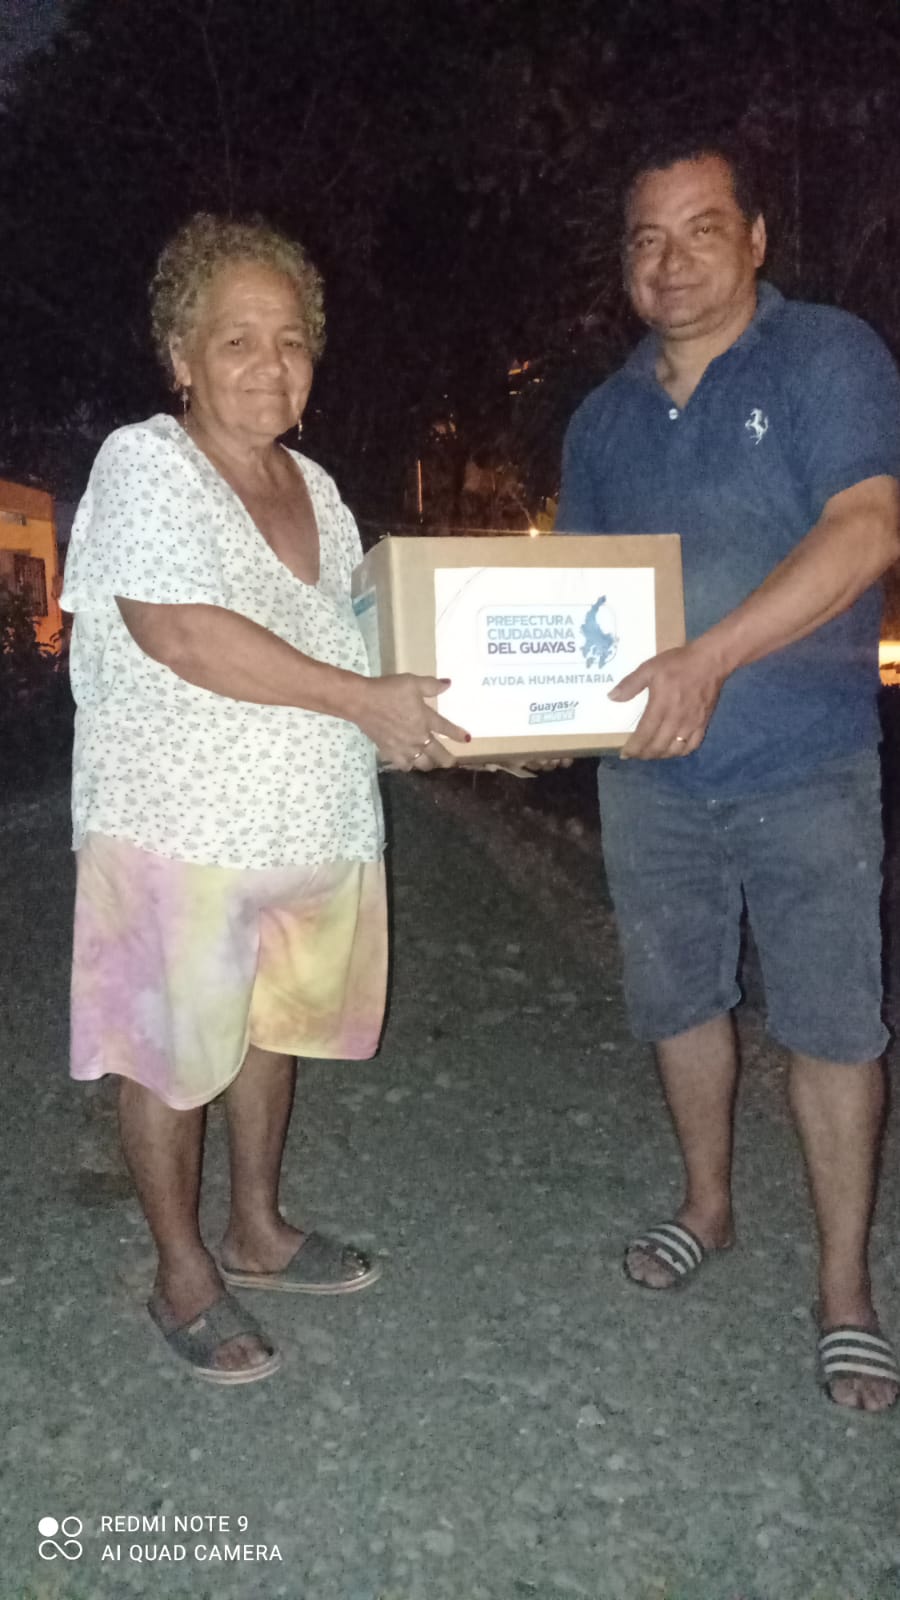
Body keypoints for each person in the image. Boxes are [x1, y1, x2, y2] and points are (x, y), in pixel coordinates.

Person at [61, 213, 468, 1385]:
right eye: (236, 339)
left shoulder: (320, 490)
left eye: (291, 340)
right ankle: (181, 1266)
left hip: (311, 825)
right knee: (169, 1053)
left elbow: (361, 639)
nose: (270, 362)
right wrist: (364, 698)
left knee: (270, 1029)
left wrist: (455, 722)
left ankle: (257, 1227)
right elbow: (180, 633)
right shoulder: (145, 465)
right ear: (180, 356)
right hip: (176, 829)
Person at [555, 136, 900, 1411]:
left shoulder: (828, 357)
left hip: (808, 761)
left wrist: (709, 659)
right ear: (625, 264)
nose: (672, 259)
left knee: (832, 1024)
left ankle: (845, 1287)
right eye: (646, 238)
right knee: (679, 1002)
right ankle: (708, 1205)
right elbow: (569, 599)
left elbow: (868, 526)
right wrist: (511, 714)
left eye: (703, 228)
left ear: (755, 239)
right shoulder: (601, 417)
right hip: (649, 777)